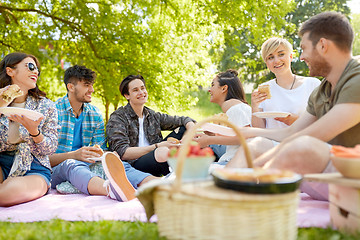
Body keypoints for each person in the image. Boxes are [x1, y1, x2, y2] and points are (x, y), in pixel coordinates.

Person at [227, 11, 360, 201]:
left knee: (302, 146)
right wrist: (251, 134)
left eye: (304, 49)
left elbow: (314, 135)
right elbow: (291, 133)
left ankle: (248, 200)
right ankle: (220, 194)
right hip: (329, 171)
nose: (302, 56)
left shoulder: (357, 76)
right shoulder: (321, 90)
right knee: (257, 144)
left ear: (323, 45)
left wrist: (258, 166)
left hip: (351, 174)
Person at [50, 65, 156, 202]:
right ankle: (112, 190)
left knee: (119, 165)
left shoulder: (94, 113)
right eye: (87, 85)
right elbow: (42, 160)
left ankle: (159, 184)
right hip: (57, 170)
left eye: (92, 85)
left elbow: (100, 148)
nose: (92, 90)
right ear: (71, 87)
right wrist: (74, 155)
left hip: (88, 165)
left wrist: (107, 155)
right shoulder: (52, 112)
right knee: (71, 164)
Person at [106, 75, 196, 177]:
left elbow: (184, 120)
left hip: (158, 156)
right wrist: (156, 146)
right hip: (134, 164)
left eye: (143, 88)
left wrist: (188, 134)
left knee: (183, 129)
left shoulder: (152, 115)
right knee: (163, 151)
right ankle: (180, 178)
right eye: (135, 90)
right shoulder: (118, 117)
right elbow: (122, 152)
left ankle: (187, 171)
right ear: (127, 95)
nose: (141, 92)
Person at [0, 52, 58, 206]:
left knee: (5, 195)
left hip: (34, 167)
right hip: (2, 162)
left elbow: (50, 149)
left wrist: (35, 131)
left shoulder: (47, 106)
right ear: (10, 71)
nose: (36, 72)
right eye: (30, 66)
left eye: (37, 69)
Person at [251, 37, 320, 129]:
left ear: (291, 56)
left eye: (281, 54)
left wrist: (297, 121)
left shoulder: (312, 85)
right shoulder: (262, 92)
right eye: (270, 57)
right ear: (266, 63)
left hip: (305, 141)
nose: (276, 61)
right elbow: (259, 131)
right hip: (273, 143)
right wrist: (255, 107)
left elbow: (325, 122)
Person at [194, 69, 251, 164]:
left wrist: (209, 140)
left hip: (235, 162)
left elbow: (245, 137)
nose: (209, 89)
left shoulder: (236, 109)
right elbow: (235, 137)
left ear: (224, 88)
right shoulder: (236, 108)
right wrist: (213, 135)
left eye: (212, 85)